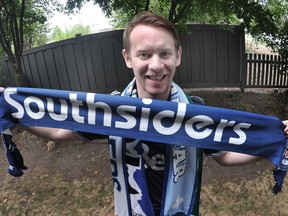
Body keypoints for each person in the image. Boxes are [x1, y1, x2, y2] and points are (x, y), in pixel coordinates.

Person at [2, 11, 288, 216]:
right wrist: (12, 111)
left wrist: (277, 142)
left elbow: (225, 155)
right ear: (128, 58)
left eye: (164, 54)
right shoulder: (111, 109)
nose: (156, 65)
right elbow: (58, 132)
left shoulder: (195, 112)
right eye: (144, 54)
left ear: (178, 56)